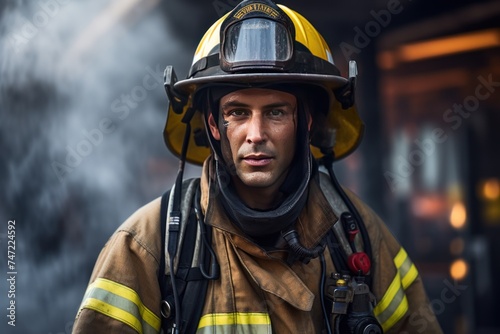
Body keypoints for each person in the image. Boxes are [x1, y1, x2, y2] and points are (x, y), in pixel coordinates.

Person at [73, 0, 443, 333]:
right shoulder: (148, 245)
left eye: (276, 112)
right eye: (237, 112)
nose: (256, 134)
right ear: (214, 125)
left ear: (307, 121)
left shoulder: (356, 234)